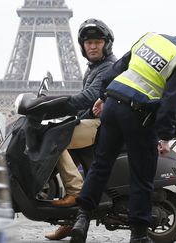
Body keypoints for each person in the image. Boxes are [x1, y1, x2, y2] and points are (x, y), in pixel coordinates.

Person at [70, 23, 176, 243]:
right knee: (142, 177)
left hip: (112, 107)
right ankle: (138, 235)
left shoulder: (152, 38)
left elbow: (117, 68)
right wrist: (165, 136)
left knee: (100, 166)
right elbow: (170, 103)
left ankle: (82, 218)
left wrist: (102, 96)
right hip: (138, 115)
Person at [44, 18, 117, 240]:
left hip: (103, 126)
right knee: (62, 135)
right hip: (94, 123)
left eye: (97, 41)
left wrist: (56, 105)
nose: (92, 46)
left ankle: (76, 193)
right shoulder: (94, 67)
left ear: (106, 44)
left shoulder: (107, 67)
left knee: (55, 139)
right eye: (88, 43)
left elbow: (88, 98)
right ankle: (70, 219)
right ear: (83, 47)